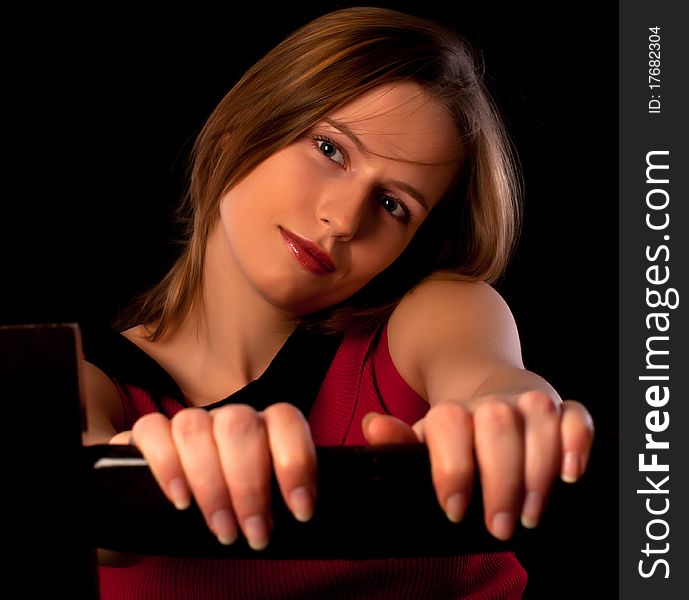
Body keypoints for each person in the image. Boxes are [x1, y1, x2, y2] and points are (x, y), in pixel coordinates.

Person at [80, 6, 594, 599]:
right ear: (241, 131)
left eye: (394, 205)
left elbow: (492, 380)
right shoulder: (89, 377)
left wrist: (513, 415)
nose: (344, 220)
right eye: (330, 149)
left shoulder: (428, 318)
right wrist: (137, 478)